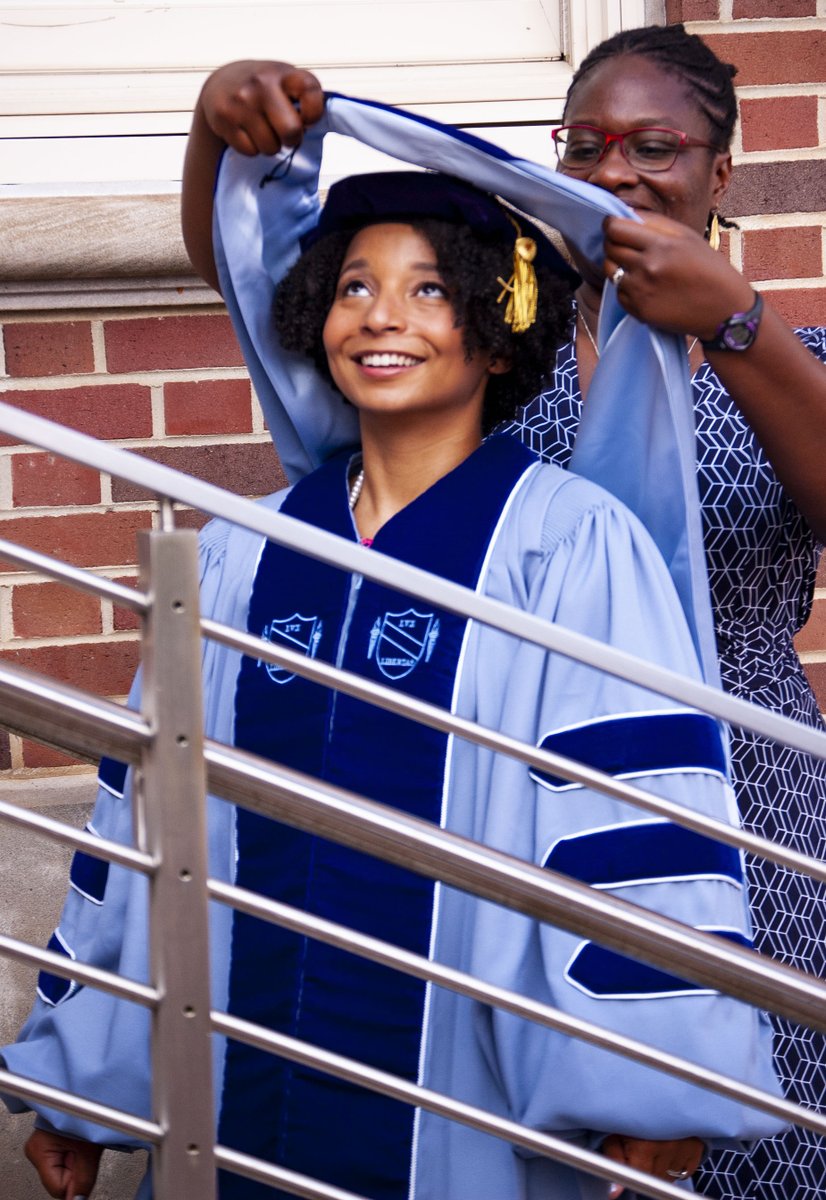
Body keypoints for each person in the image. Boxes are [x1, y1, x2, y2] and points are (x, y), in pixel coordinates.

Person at [2, 169, 784, 1199]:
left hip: (460, 1105)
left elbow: (631, 813)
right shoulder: (243, 549)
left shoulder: (563, 544)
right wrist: (82, 1088)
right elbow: (146, 824)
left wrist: (651, 1086)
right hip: (232, 1089)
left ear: (495, 332)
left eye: (427, 290)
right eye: (353, 286)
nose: (380, 317)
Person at [178, 22, 826, 1200]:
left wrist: (733, 322)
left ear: (719, 172)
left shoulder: (787, 352)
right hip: (500, 779)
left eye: (654, 146)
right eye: (585, 146)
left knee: (739, 1131)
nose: (617, 172)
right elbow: (270, 290)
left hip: (734, 785)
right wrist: (214, 139)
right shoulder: (491, 344)